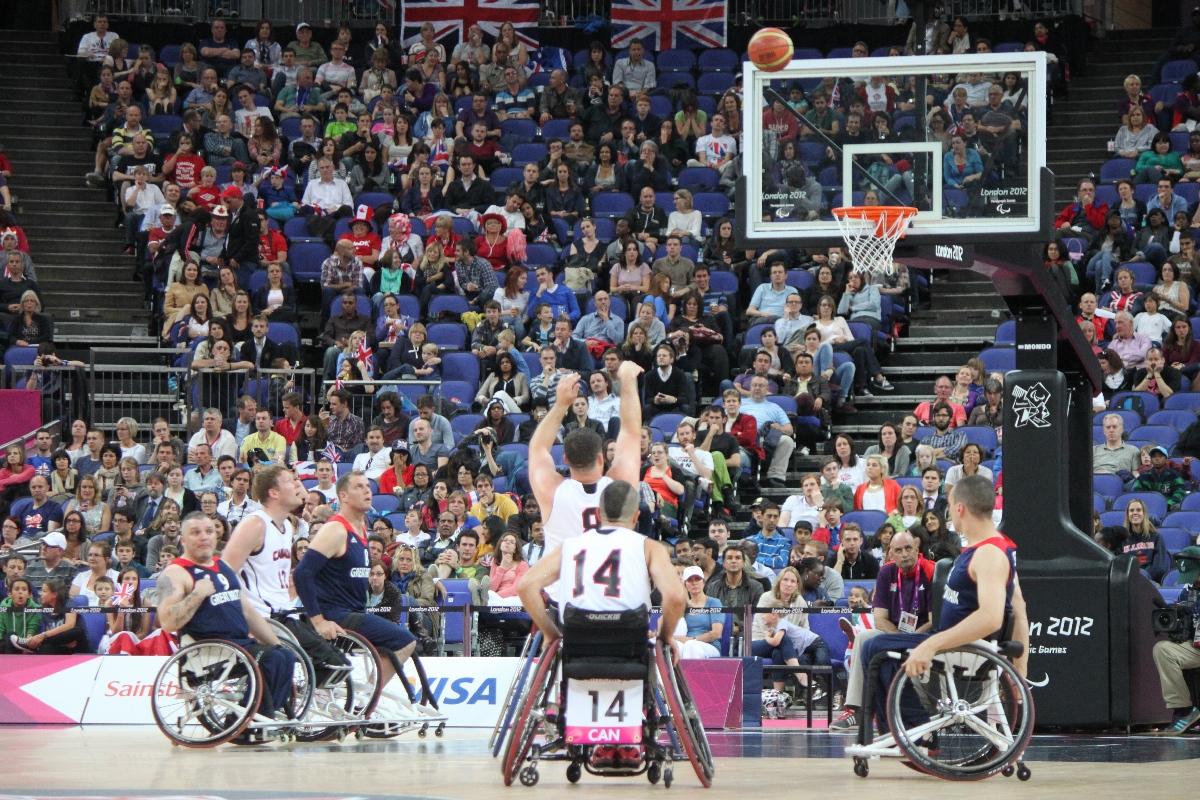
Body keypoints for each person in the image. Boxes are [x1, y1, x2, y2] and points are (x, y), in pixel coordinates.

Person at [516, 479, 684, 769]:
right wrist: (666, 635)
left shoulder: (570, 546)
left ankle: (586, 732)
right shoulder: (648, 546)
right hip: (630, 643)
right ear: (635, 516)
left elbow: (526, 587)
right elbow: (676, 597)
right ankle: (632, 733)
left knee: (569, 645)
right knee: (647, 644)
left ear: (598, 512)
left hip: (578, 641)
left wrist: (549, 632)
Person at [856, 476, 1029, 725]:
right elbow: (1020, 608)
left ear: (959, 508)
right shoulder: (990, 548)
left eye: (949, 504)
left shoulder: (989, 554)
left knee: (875, 648)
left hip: (963, 648)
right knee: (873, 644)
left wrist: (932, 644)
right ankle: (904, 727)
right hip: (957, 643)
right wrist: (1020, 670)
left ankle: (911, 728)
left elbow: (991, 618)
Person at [293, 472, 439, 721]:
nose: (367, 490)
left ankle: (366, 695)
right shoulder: (336, 530)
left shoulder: (362, 529)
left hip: (354, 611)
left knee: (397, 641)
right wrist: (318, 621)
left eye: (367, 486)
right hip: (335, 614)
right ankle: (368, 699)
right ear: (343, 496)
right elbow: (302, 574)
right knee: (405, 640)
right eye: (358, 487)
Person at [154, 513, 295, 727]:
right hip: (207, 651)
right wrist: (197, 594)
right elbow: (168, 622)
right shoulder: (175, 572)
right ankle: (246, 722)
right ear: (183, 540)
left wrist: (275, 642)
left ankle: (262, 716)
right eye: (195, 532)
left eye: (209, 531)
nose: (204, 537)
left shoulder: (223, 567)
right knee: (271, 659)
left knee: (284, 655)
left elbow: (248, 613)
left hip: (239, 646)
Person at [529, 362, 644, 554]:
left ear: (565, 459)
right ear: (601, 459)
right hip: (610, 583)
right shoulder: (620, 487)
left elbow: (538, 448)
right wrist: (628, 381)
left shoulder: (552, 491)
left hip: (565, 583)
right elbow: (631, 432)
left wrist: (561, 404)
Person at [830, 530, 933, 731]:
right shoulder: (886, 572)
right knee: (864, 638)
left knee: (878, 641)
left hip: (924, 635)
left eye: (908, 548)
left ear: (917, 550)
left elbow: (933, 620)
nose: (904, 554)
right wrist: (898, 639)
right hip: (894, 633)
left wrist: (909, 639)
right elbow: (879, 618)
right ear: (890, 554)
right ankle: (855, 710)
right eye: (898, 550)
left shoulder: (930, 571)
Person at [1151, 547, 1200, 733]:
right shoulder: (1189, 592)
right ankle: (1184, 710)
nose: (1193, 581)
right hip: (1195, 646)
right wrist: (1177, 628)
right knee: (1163, 649)